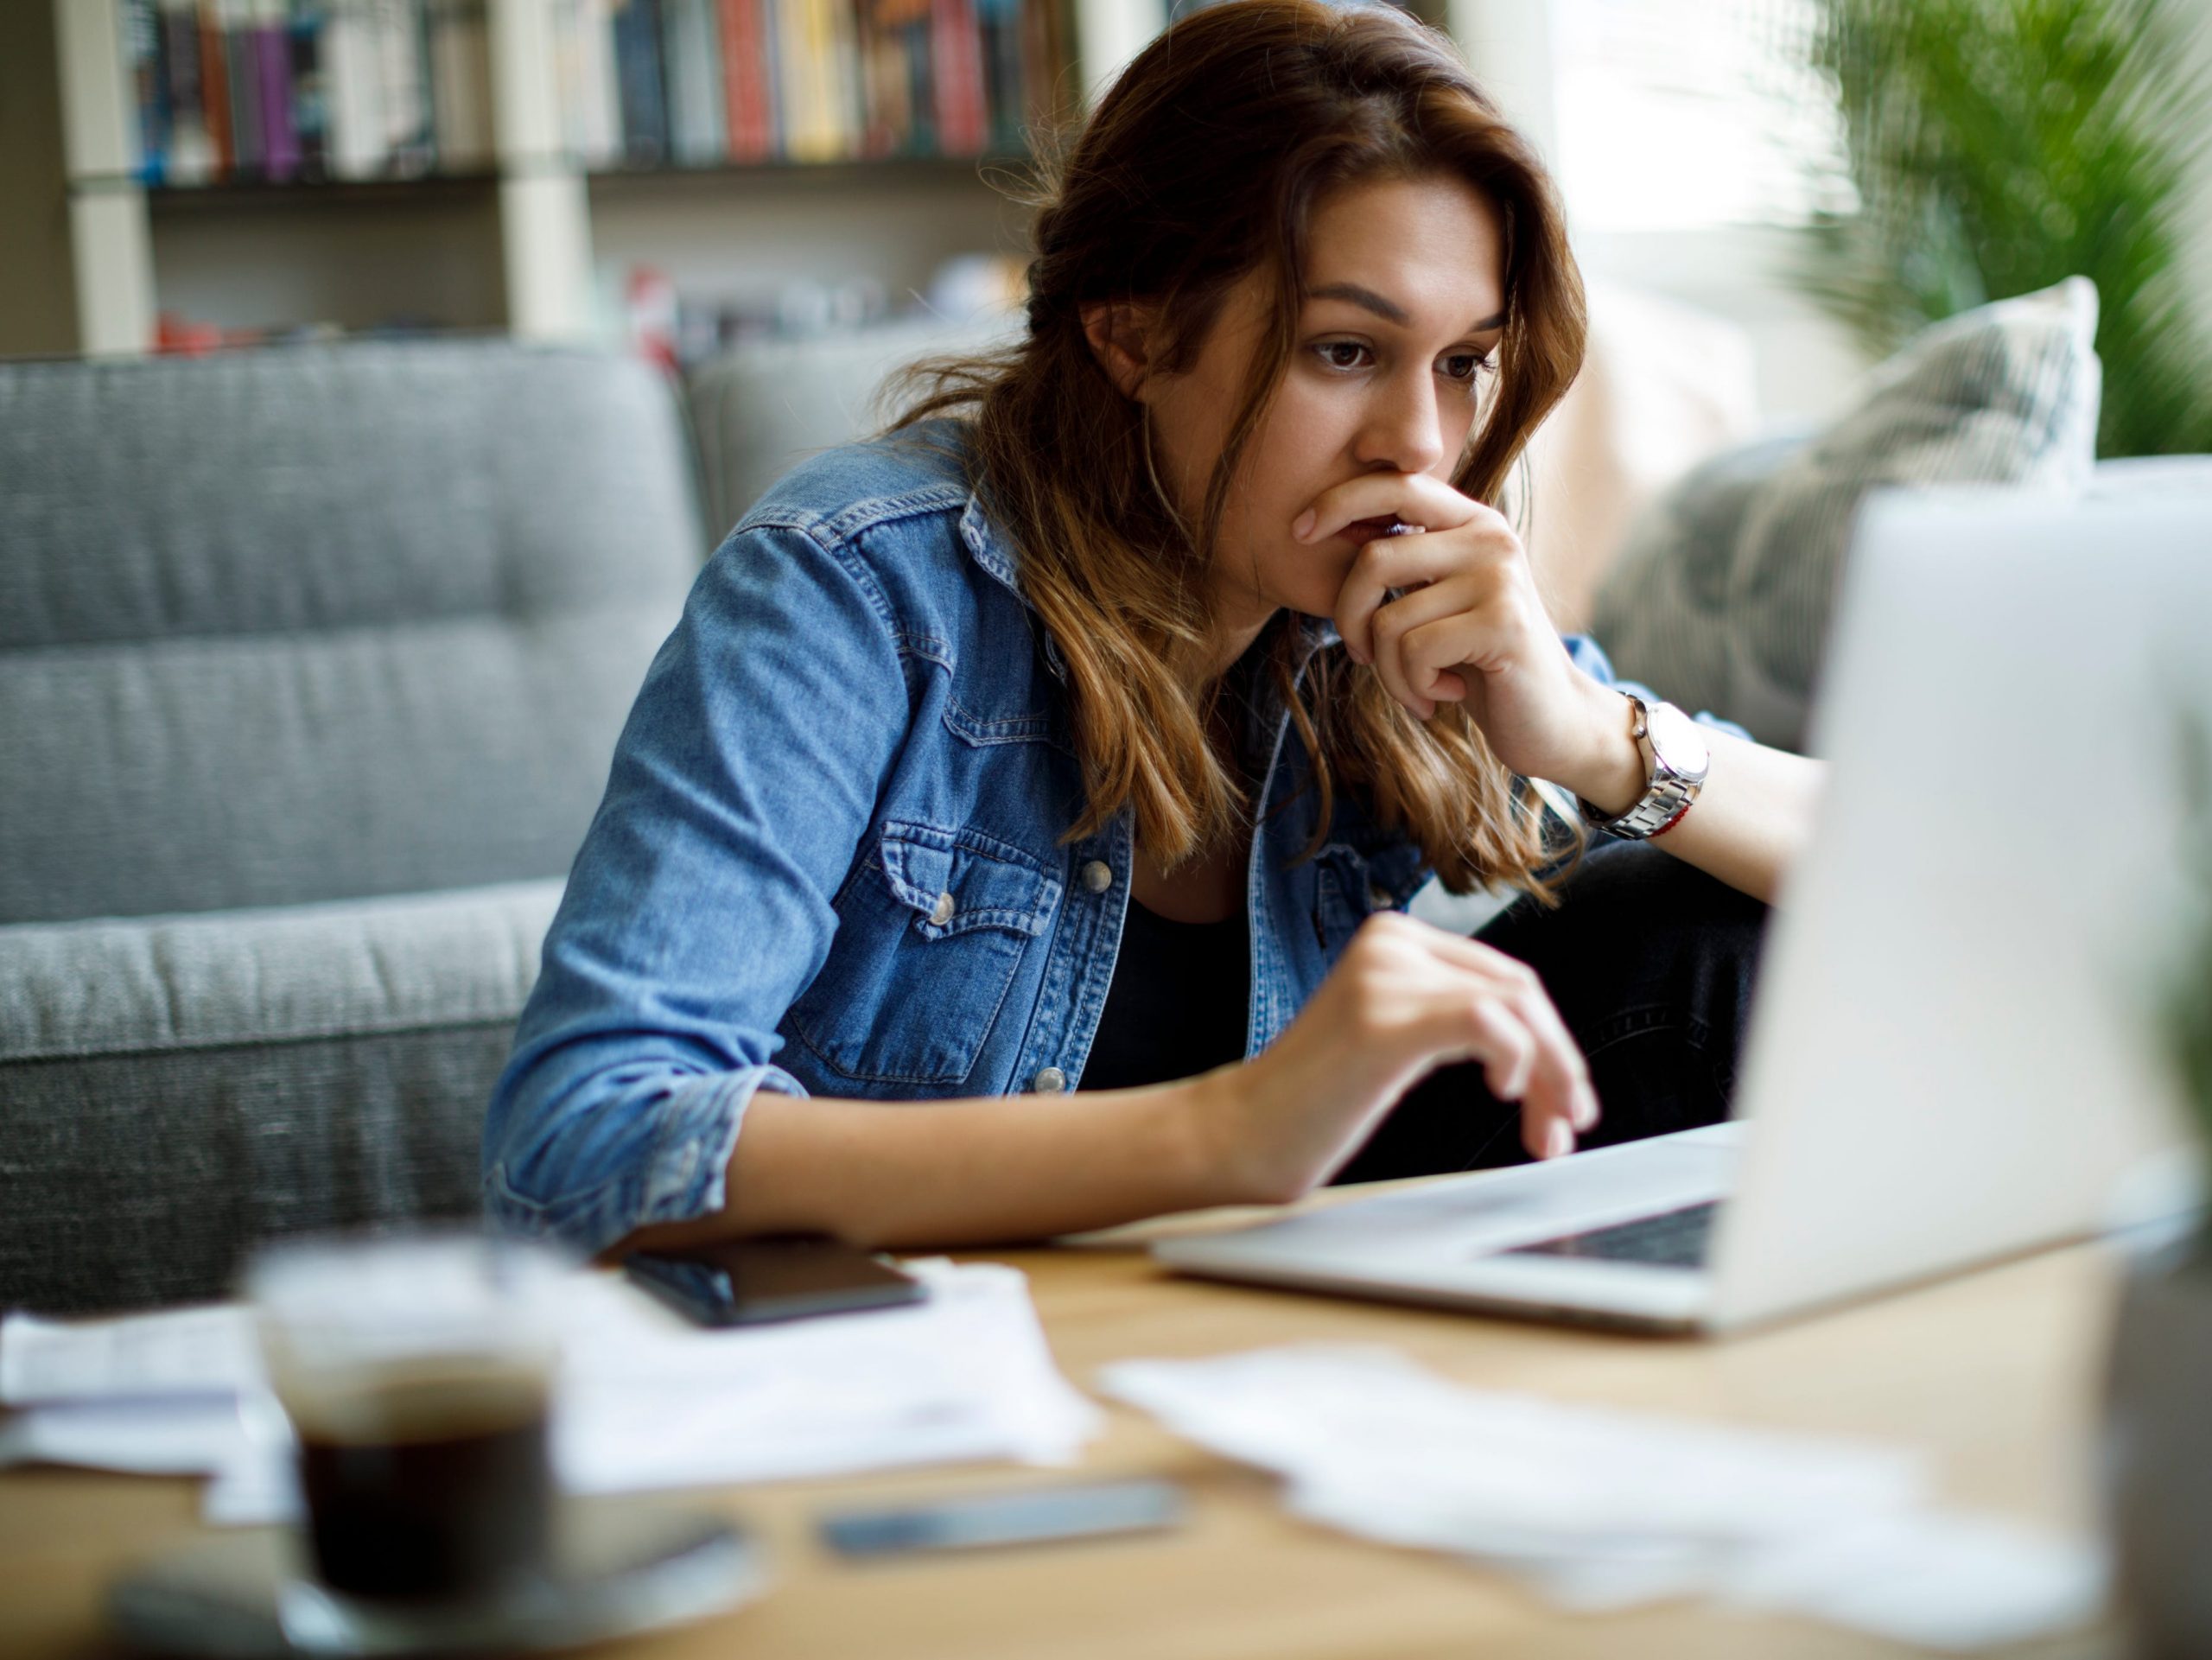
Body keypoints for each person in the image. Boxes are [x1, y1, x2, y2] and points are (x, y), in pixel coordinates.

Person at [482, 0, 1823, 1261]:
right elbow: (582, 1139)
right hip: (939, 1349)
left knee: (1702, 928)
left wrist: (1596, 737)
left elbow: (1897, 875)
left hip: (1254, 1322)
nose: (1420, 440)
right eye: (1343, 351)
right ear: (1131, 330)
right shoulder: (857, 586)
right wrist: (1233, 1132)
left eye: (1463, 363)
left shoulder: (1370, 622)